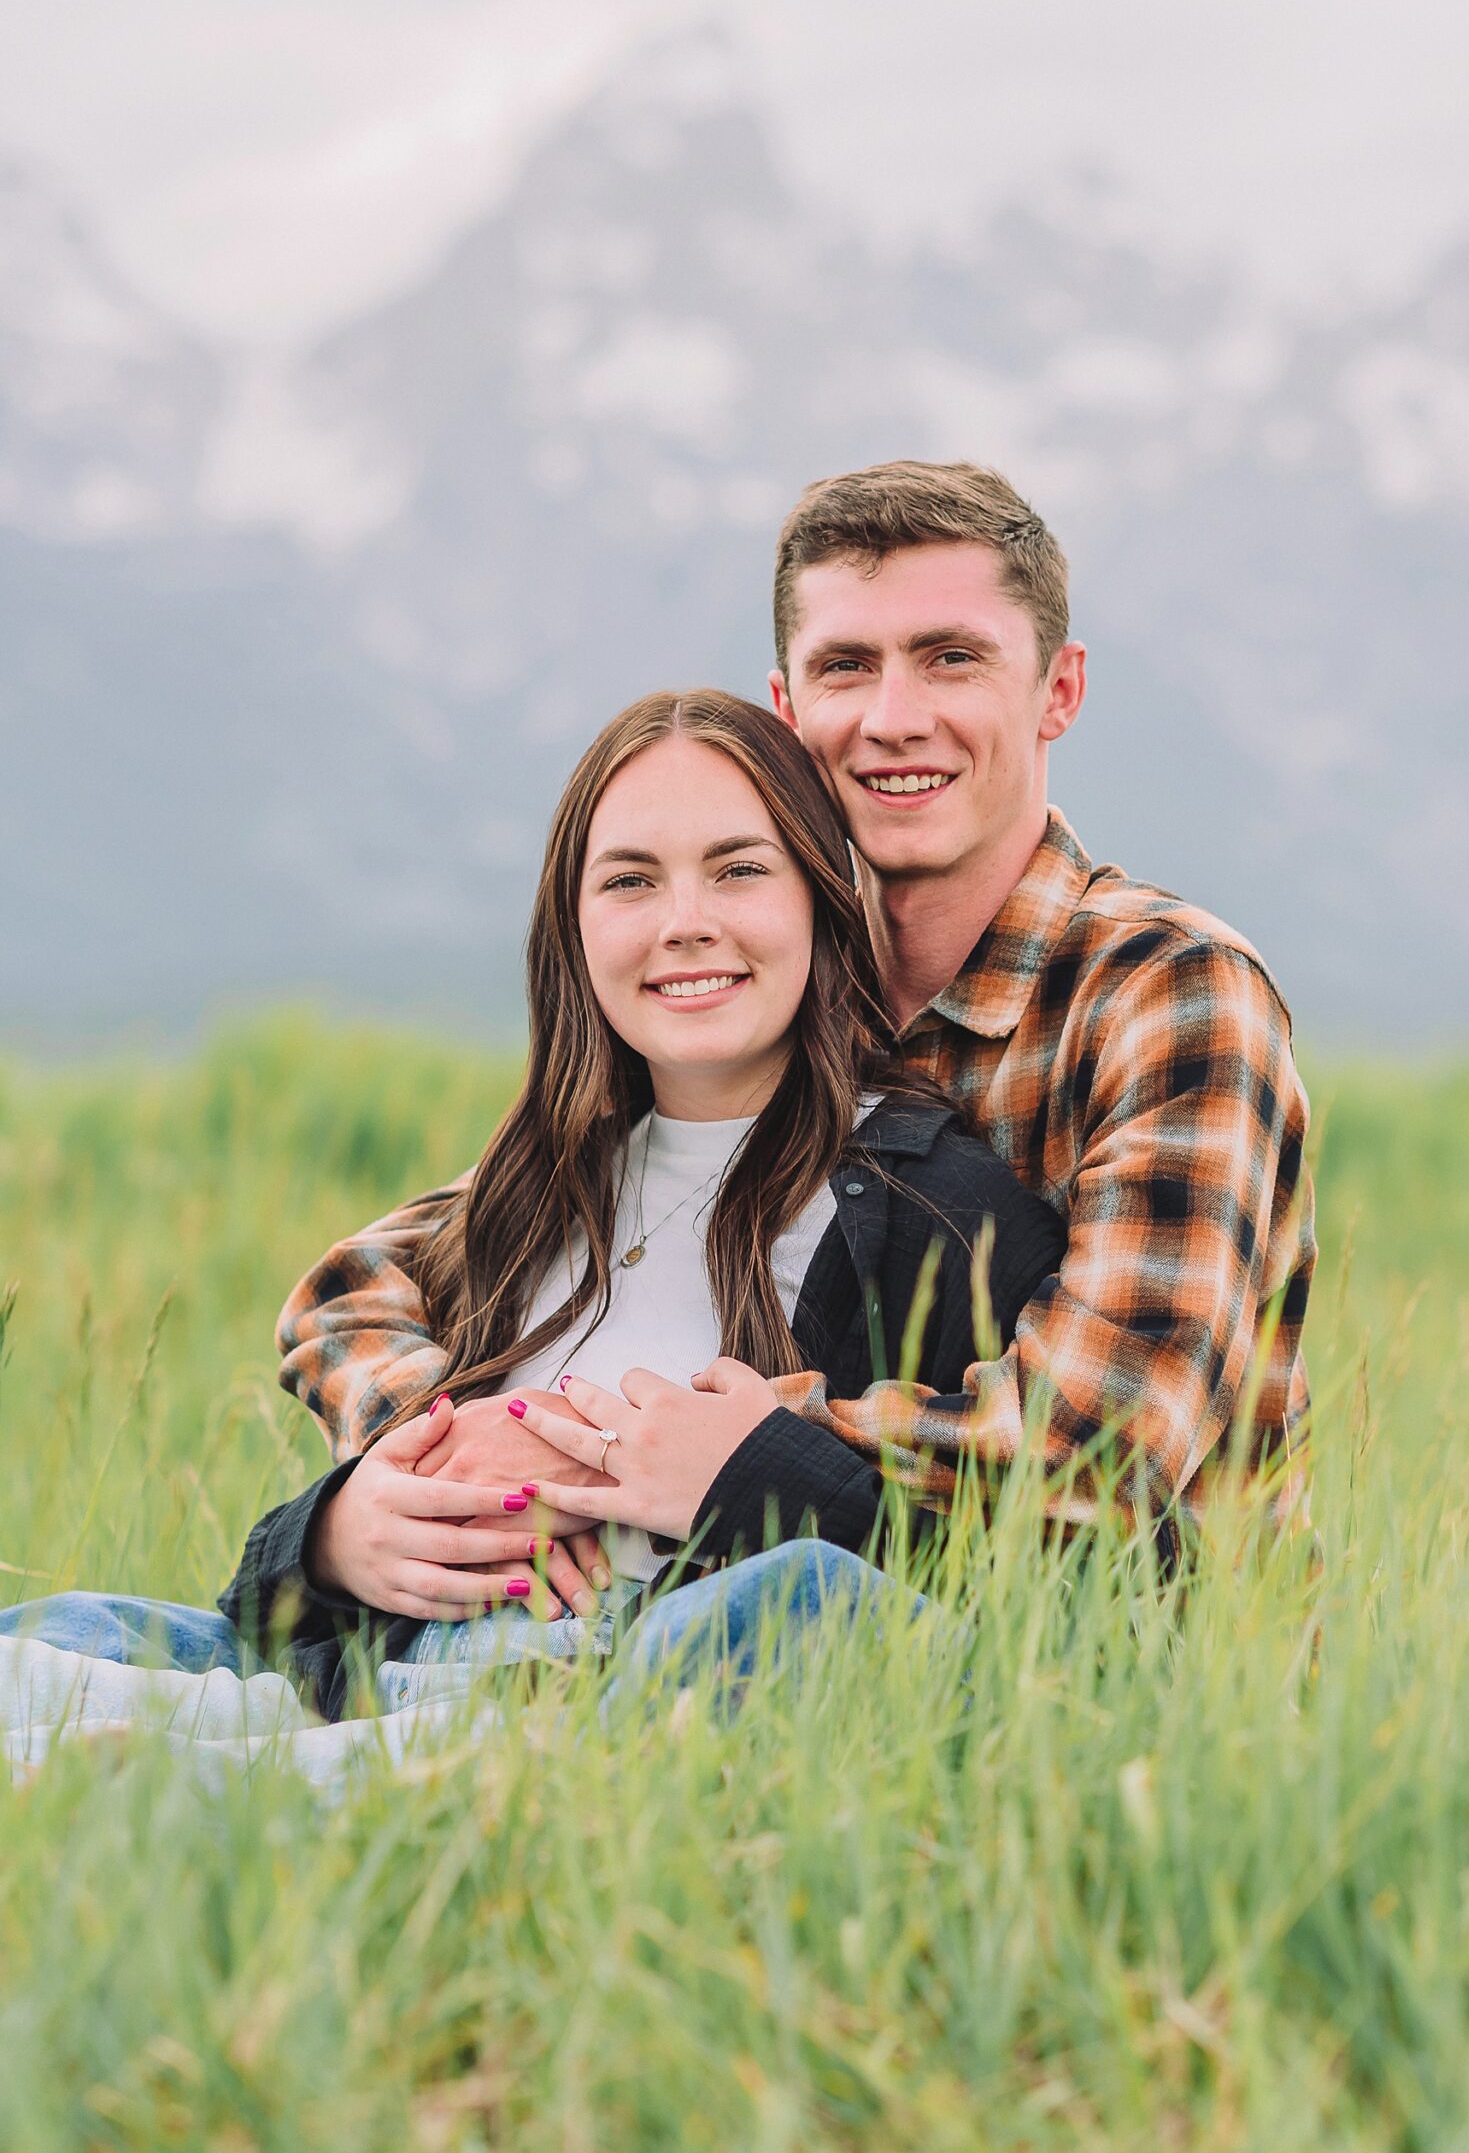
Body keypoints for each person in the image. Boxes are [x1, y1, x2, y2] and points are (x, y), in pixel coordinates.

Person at [264, 460, 1317, 1589]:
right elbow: (375, 1276)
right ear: (788, 710)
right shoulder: (770, 984)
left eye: (951, 658)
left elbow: (1099, 1444)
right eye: (845, 667)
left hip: (1120, 1653)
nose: (892, 719)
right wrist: (443, 1464)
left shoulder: (1166, 991)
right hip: (784, 1624)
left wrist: (711, 1446)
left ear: (1057, 690)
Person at [1, 687, 1064, 1746]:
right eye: (630, 880)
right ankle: (303, 1754)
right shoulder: (533, 1190)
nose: (684, 922)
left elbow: (1001, 1571)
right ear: (576, 927)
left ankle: (325, 1769)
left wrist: (746, 1477)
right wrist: (335, 1538)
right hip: (395, 1675)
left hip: (639, 1685)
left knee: (795, 1601)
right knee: (54, 1634)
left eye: (739, 869)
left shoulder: (933, 1209)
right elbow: (288, 1611)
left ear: (822, 901)